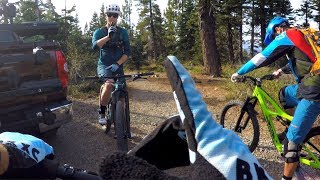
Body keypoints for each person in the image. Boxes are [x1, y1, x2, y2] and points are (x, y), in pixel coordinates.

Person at [231, 16, 320, 180]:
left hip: (314, 89)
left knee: (290, 146)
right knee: (285, 94)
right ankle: (292, 128)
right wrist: (281, 71)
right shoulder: (306, 33)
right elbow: (305, 59)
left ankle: (291, 152)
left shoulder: (287, 35)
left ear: (277, 29)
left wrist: (239, 72)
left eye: (273, 35)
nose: (275, 38)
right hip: (308, 84)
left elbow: (262, 57)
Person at [92, 4, 131, 125]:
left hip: (117, 65)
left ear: (117, 17)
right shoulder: (99, 32)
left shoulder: (123, 32)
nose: (112, 18)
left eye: (115, 15)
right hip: (104, 65)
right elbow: (94, 47)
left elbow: (128, 52)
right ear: (106, 16)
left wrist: (118, 63)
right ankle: (102, 112)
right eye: (110, 15)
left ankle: (122, 121)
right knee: (109, 85)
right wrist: (108, 36)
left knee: (122, 93)